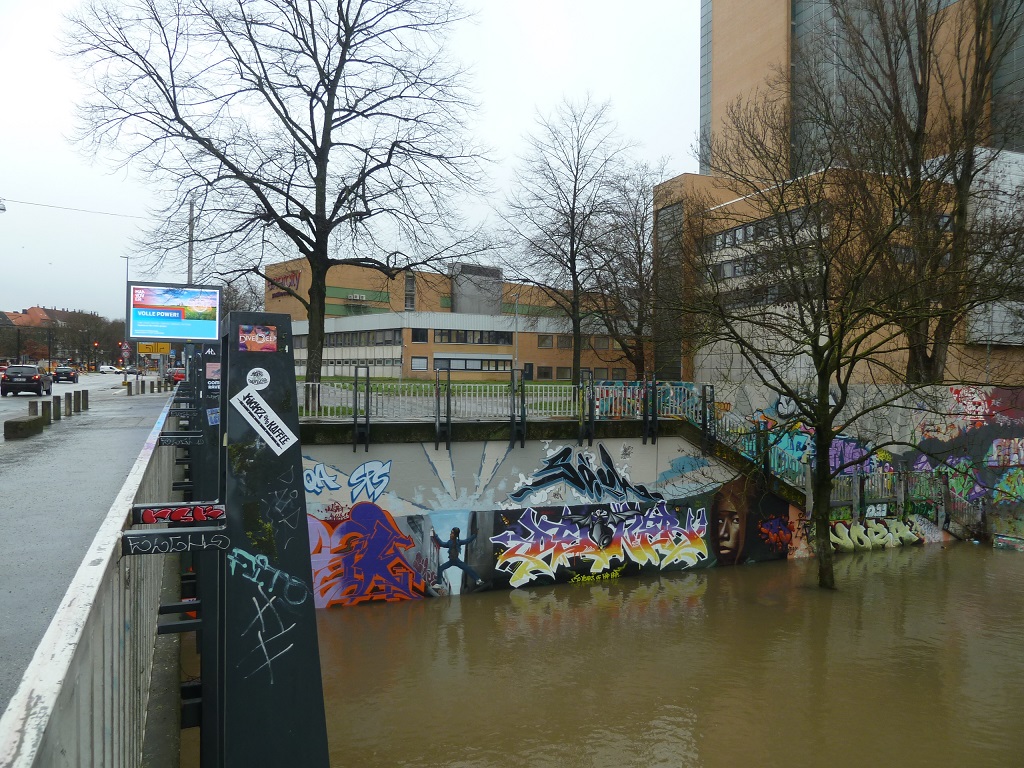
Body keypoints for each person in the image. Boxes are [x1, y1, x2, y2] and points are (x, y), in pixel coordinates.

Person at [710, 477, 754, 565]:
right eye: (720, 521)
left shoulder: (755, 572)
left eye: (736, 520)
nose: (723, 534)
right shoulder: (712, 570)